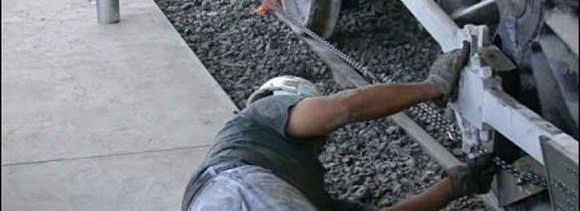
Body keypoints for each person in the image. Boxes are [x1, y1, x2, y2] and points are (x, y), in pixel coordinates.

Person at [182, 42, 497, 211]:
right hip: (236, 191)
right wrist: (431, 87)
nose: (327, 141)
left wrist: (453, 187)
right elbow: (342, 108)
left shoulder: (308, 190)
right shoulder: (258, 116)